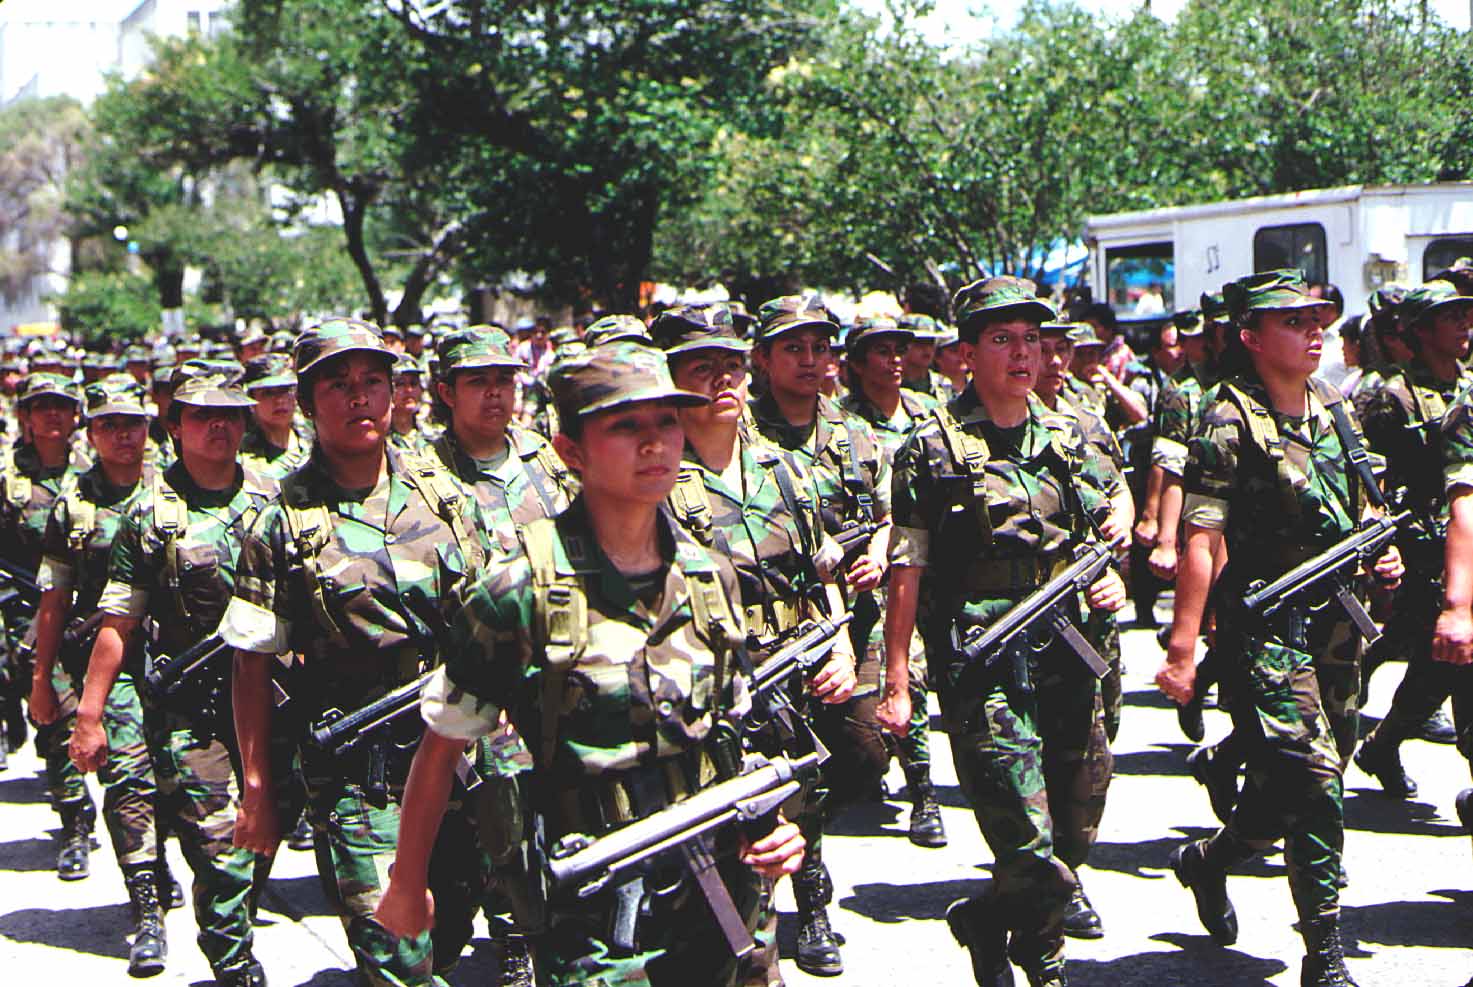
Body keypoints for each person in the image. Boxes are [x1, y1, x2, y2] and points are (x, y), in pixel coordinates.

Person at [374, 341, 806, 987]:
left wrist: (777, 827)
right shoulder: (518, 589)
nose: (654, 442)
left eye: (664, 421)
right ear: (569, 450)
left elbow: (734, 731)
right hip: (598, 912)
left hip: (725, 899)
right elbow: (440, 748)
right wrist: (408, 883)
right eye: (625, 425)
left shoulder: (710, 573)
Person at [224, 318, 490, 987]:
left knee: (453, 925)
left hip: (465, 751)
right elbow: (250, 664)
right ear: (310, 400)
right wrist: (256, 788)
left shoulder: (443, 492)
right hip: (363, 768)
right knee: (396, 952)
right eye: (338, 384)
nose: (359, 397)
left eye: (373, 380)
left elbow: (497, 617)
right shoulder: (280, 520)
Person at [1156, 270, 1403, 987]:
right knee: (1317, 780)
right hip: (1267, 629)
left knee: (1289, 784)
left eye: (1316, 316)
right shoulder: (1225, 418)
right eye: (1292, 320)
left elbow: (1360, 496)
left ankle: (1206, 861)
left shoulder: (1333, 405)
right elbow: (1202, 538)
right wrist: (1181, 646)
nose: (1312, 328)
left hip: (1338, 623)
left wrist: (1377, 545)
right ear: (1251, 336)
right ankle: (1321, 950)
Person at [887, 277, 1125, 987]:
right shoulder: (928, 447)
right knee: (1026, 839)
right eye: (1001, 339)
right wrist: (896, 679)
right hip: (984, 656)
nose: (1021, 353)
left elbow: (1101, 523)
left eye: (1030, 338)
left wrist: (1112, 574)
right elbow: (907, 564)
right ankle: (1044, 966)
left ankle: (988, 921)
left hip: (1069, 647)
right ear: (965, 354)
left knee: (1075, 828)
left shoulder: (1067, 432)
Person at [650, 301, 860, 977]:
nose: (722, 380)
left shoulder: (783, 469)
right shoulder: (653, 479)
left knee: (803, 800)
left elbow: (819, 569)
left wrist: (841, 647)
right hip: (704, 690)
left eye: (731, 364)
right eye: (701, 367)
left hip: (789, 674)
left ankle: (813, 907)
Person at [71, 365, 272, 987]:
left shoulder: (278, 495)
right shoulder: (151, 515)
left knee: (269, 833)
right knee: (222, 850)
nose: (220, 426)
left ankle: (236, 927)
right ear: (175, 425)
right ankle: (236, 965)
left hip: (278, 696)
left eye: (231, 415)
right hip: (196, 708)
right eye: (202, 416)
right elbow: (117, 622)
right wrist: (89, 714)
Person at [28, 376, 171, 976]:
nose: (122, 435)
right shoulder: (75, 505)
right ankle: (145, 914)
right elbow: (54, 599)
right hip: (105, 665)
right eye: (109, 424)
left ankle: (162, 864)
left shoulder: (174, 489)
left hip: (179, 662)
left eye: (132, 423)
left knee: (176, 778)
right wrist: (41, 680)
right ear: (93, 433)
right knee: (129, 780)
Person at [1353, 280, 1473, 797]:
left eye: (1468, 315)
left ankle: (1382, 744)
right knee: (1448, 660)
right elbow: (1368, 475)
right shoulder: (1392, 398)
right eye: (1452, 318)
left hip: (1460, 540)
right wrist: (1384, 543)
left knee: (1436, 663)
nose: (1465, 325)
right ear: (1422, 331)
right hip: (1420, 548)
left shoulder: (1468, 388)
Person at [1, 373, 86, 852]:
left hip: (97, 614)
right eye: (41, 407)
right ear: (26, 417)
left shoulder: (98, 471)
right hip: (34, 615)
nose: (53, 415)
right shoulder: (10, 480)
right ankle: (74, 819)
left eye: (62, 406)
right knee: (53, 717)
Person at [239, 354, 311, 480]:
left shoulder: (316, 440)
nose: (280, 400)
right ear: (251, 400)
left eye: (286, 390)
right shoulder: (240, 454)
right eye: (268, 393)